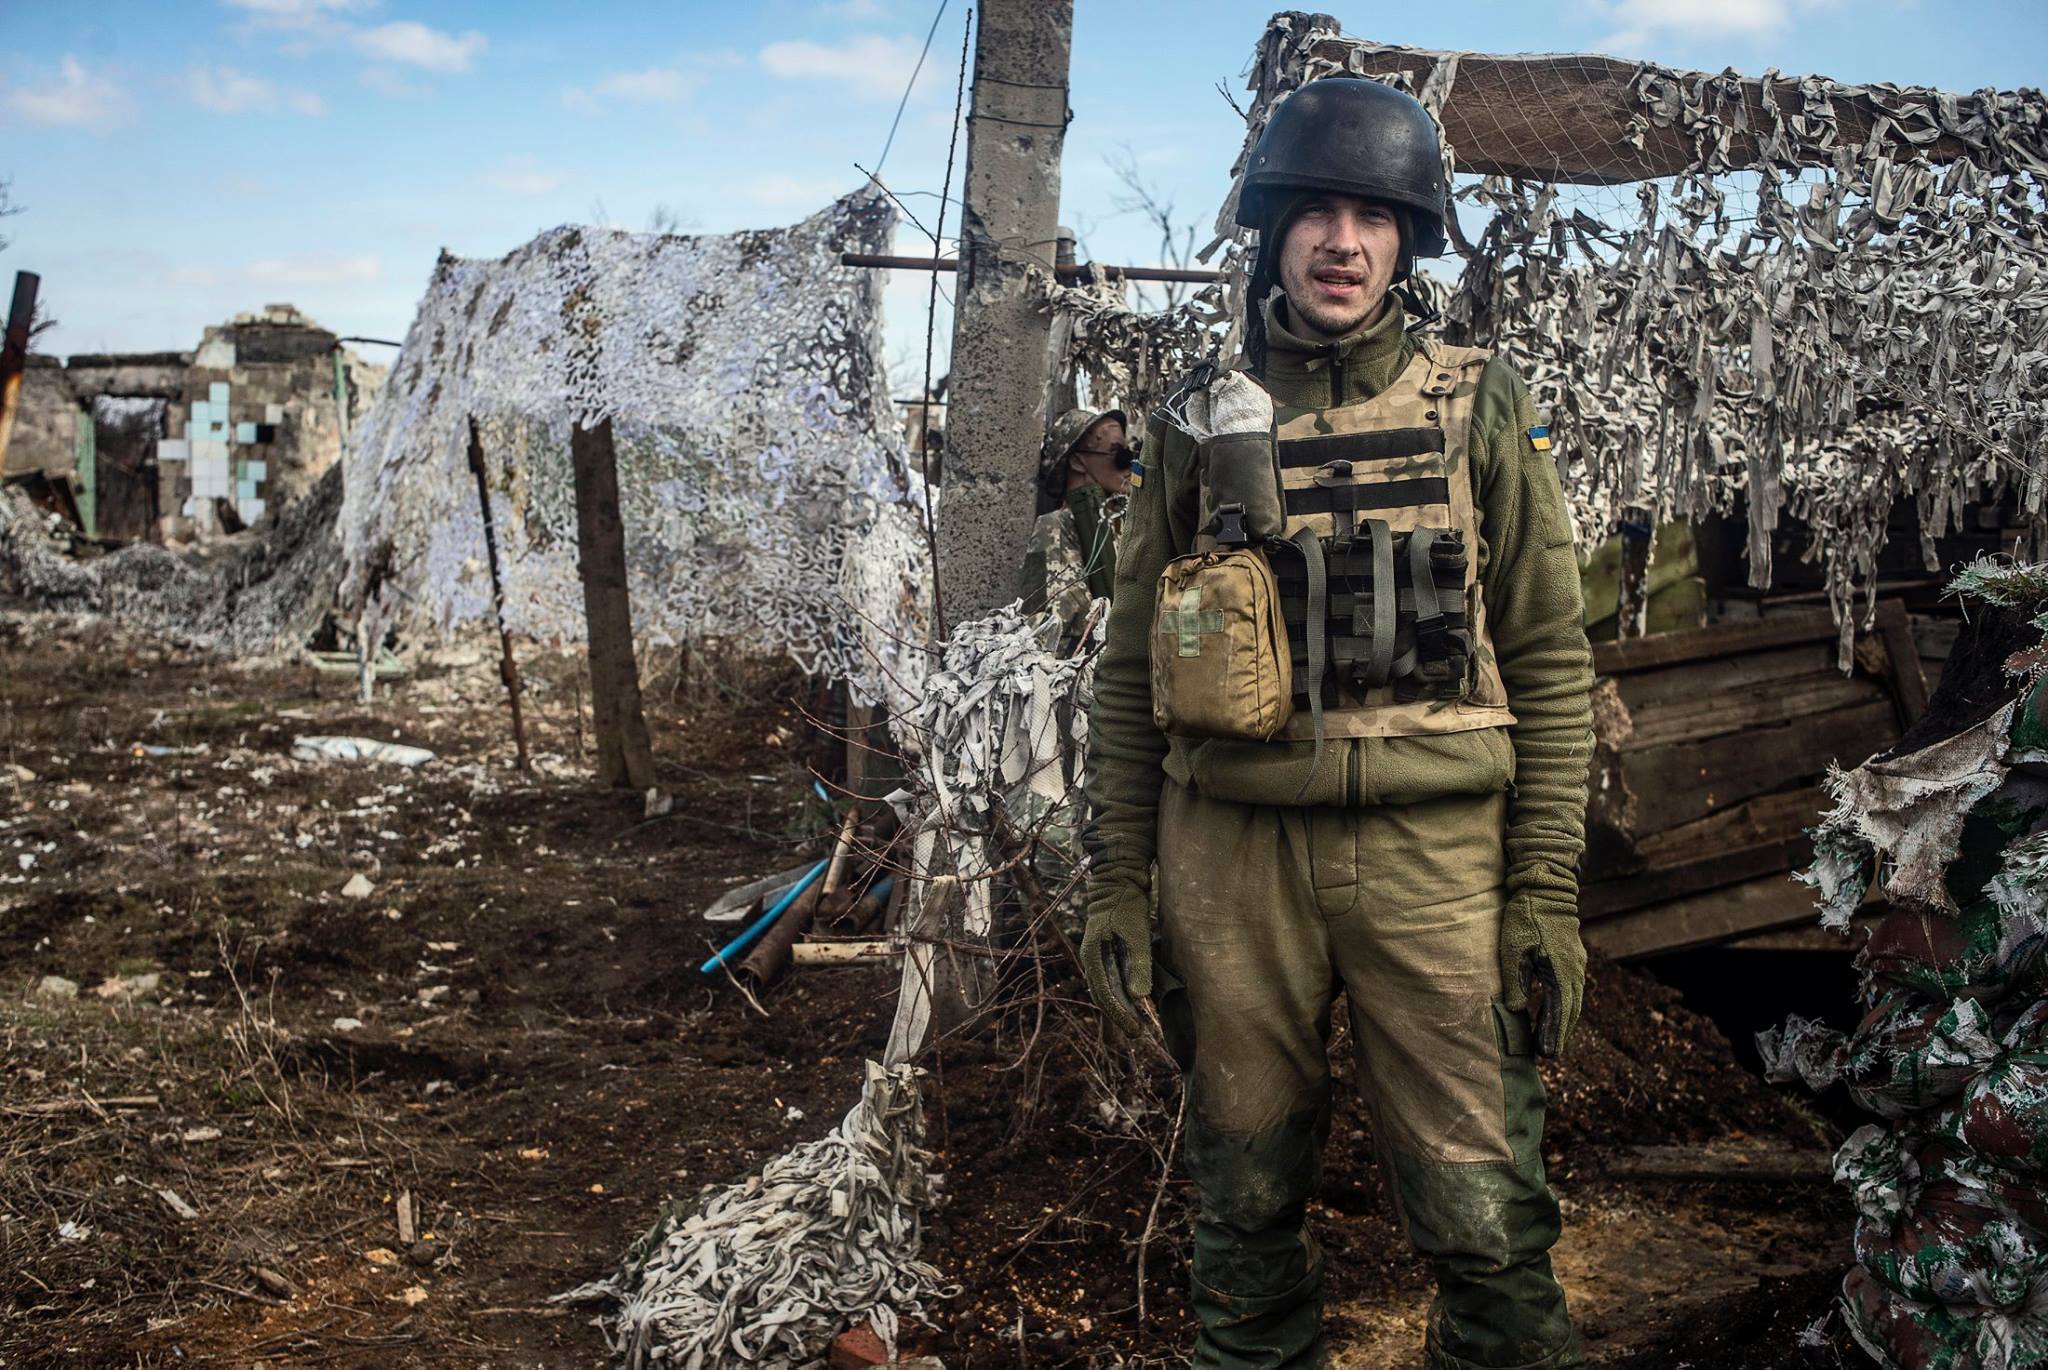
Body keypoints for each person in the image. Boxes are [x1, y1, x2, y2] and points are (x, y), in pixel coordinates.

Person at [1080, 77, 1593, 1369]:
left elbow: (1547, 654)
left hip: (1438, 862)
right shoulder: (1200, 417)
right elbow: (1133, 665)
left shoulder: (1476, 402)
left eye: (1375, 213)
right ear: (1272, 227)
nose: (1344, 240)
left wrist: (1543, 889)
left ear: (1409, 238)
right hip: (1235, 859)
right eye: (1316, 209)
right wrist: (1117, 883)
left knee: (1486, 1222)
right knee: (1242, 1215)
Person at [1019, 406, 1133, 633]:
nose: (1128, 463)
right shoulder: (1054, 528)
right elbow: (1052, 625)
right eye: (1117, 452)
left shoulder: (1122, 522)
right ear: (1078, 462)